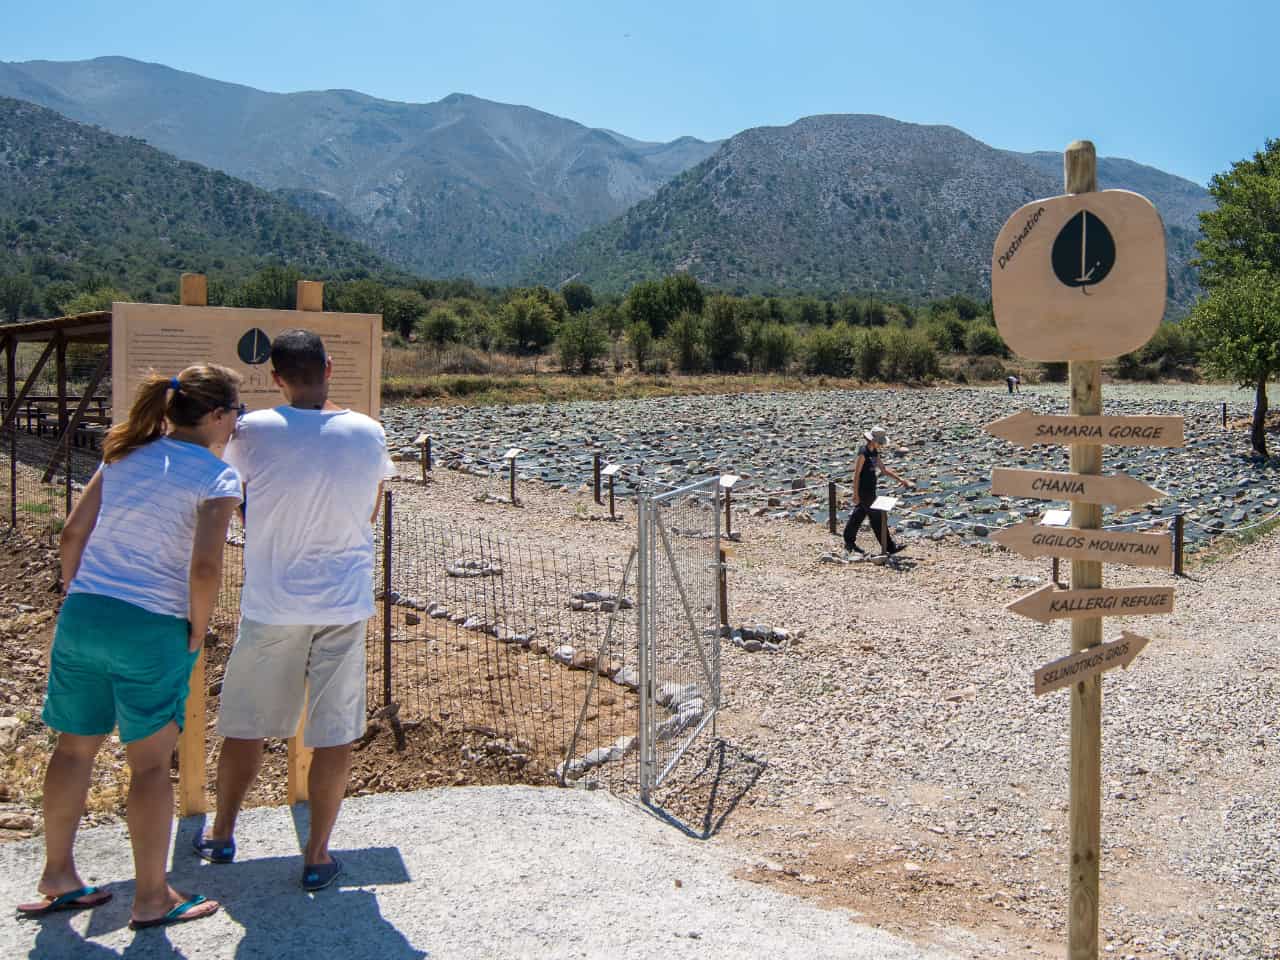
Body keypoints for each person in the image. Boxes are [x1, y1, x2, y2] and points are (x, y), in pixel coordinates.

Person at [19, 366, 243, 929]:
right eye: (234, 412)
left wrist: (76, 592)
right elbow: (206, 566)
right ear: (216, 416)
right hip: (152, 625)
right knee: (147, 767)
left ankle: (58, 875)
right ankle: (151, 896)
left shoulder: (121, 457)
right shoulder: (217, 479)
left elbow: (74, 533)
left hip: (85, 613)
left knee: (72, 750)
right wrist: (197, 626)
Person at [197, 329, 393, 892]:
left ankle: (223, 832)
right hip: (343, 600)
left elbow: (236, 502)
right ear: (330, 367)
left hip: (273, 599)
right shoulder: (368, 432)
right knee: (333, 733)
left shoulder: (251, 430)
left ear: (275, 377)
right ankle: (317, 855)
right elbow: (372, 510)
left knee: (246, 725)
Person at [843, 425, 914, 556]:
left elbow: (883, 469)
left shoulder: (874, 452)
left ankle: (849, 541)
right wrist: (855, 494)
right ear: (873, 441)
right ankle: (890, 547)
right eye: (879, 442)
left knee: (858, 515)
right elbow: (856, 474)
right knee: (877, 518)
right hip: (864, 492)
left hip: (871, 490)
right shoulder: (863, 453)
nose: (881, 445)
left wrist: (901, 480)